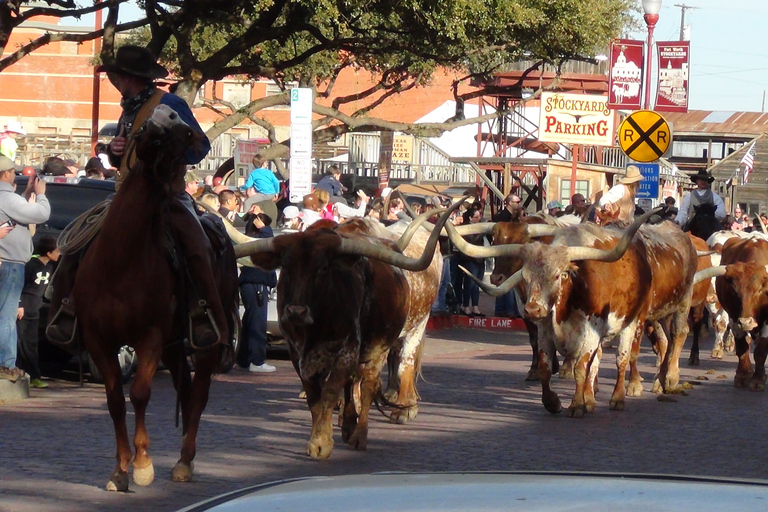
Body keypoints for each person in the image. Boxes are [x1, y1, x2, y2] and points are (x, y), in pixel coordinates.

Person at [47, 45, 225, 351]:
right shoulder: (127, 108)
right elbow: (126, 159)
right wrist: (115, 151)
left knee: (198, 245)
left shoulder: (171, 103)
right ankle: (68, 308)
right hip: (125, 196)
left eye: (116, 76)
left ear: (128, 77)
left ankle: (203, 314)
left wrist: (170, 146)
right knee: (76, 241)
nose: (114, 81)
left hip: (167, 195)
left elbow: (201, 147)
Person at [0, 156, 50, 382]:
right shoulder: (6, 197)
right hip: (9, 263)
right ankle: (6, 365)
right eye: (12, 171)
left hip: (7, 261)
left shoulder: (9, 199)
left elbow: (15, 210)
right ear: (5, 175)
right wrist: (40, 194)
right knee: (6, 316)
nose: (14, 174)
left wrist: (26, 194)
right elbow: (41, 214)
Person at [236, 212, 277, 373]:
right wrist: (265, 230)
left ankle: (244, 359)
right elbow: (267, 243)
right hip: (256, 285)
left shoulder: (248, 240)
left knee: (250, 321)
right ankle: (257, 361)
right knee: (257, 323)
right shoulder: (255, 240)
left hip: (251, 284)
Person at [17, 235, 59, 388]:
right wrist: (18, 304)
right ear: (48, 253)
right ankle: (18, 372)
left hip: (35, 310)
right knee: (19, 343)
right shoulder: (31, 266)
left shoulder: (50, 266)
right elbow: (19, 284)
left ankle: (34, 376)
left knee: (32, 344)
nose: (59, 254)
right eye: (57, 251)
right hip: (23, 309)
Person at [491, 194, 522, 319]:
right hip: (503, 253)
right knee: (503, 279)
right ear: (509, 203)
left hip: (511, 254)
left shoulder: (512, 218)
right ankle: (504, 309)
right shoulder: (501, 217)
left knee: (509, 281)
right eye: (517, 201)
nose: (518, 203)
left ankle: (506, 309)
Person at [458, 207, 487, 317]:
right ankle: (466, 306)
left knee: (477, 284)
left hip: (480, 259)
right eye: (476, 217)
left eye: (479, 216)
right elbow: (473, 240)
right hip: (470, 259)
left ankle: (475, 306)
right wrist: (483, 231)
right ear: (470, 218)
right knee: (469, 284)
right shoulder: (466, 228)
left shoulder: (478, 226)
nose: (479, 219)